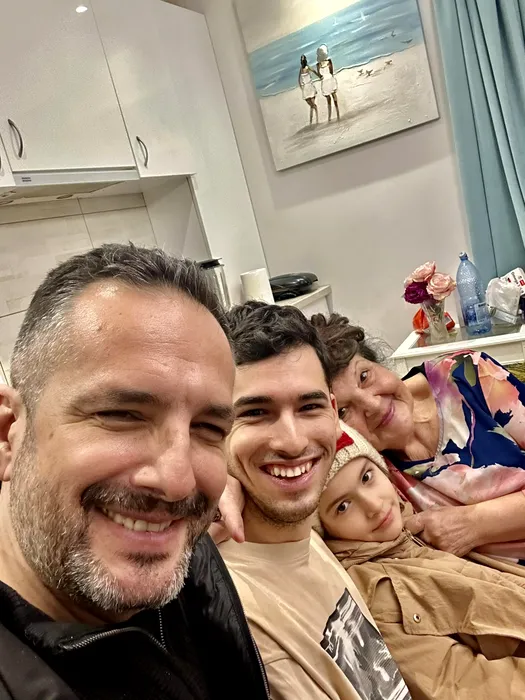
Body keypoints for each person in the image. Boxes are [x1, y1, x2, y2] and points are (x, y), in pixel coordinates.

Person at [0, 244, 269, 700]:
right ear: (9, 433)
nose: (178, 481)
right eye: (121, 415)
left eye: (207, 428)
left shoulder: (176, 544)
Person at [219, 301, 410, 700]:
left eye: (309, 407)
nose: (293, 441)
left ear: (334, 415)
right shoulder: (239, 617)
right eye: (256, 412)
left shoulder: (307, 537)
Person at [316, 427, 525, 699]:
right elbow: (463, 687)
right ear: (324, 529)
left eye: (367, 477)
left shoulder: (413, 532)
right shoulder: (376, 593)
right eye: (343, 507)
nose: (374, 506)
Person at [311, 312, 525, 567]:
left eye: (364, 376)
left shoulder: (468, 375)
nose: (373, 405)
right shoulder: (367, 473)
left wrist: (473, 524)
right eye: (344, 411)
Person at [316, 44, 340, 121]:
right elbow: (331, 72)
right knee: (332, 97)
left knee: (330, 99)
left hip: (326, 81)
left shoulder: (319, 64)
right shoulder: (328, 62)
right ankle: (336, 114)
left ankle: (332, 115)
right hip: (328, 79)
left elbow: (320, 75)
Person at [298, 54, 320, 125]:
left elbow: (314, 71)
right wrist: (301, 87)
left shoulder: (308, 67)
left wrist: (319, 76)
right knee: (310, 104)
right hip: (305, 88)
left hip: (310, 86)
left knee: (312, 105)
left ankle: (315, 120)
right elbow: (299, 79)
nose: (302, 61)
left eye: (303, 59)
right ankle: (312, 120)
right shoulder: (301, 69)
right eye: (302, 59)